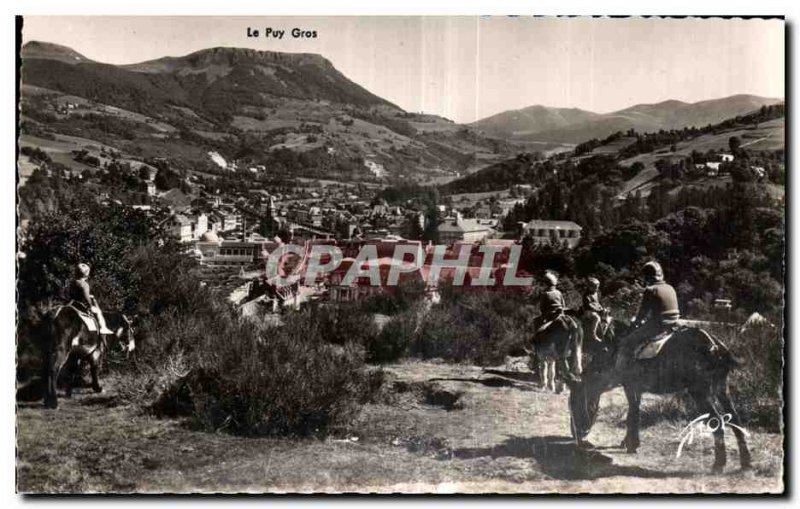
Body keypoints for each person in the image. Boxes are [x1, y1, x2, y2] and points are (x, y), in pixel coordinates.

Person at [614, 261, 680, 371]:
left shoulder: (650, 290)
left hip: (658, 327)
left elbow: (641, 315)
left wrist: (633, 325)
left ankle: (618, 376)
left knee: (625, 343)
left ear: (647, 277)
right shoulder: (670, 287)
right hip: (673, 325)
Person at [68, 263, 113, 335]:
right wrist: (91, 305)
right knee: (98, 311)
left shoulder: (73, 282)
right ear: (86, 273)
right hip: (81, 305)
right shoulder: (84, 284)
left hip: (72, 303)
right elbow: (86, 297)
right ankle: (103, 328)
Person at [582, 277, 606, 342]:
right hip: (588, 311)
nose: (596, 288)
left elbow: (597, 303)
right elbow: (589, 305)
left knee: (605, 315)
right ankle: (593, 334)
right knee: (596, 317)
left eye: (597, 287)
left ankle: (603, 333)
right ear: (590, 287)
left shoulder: (595, 293)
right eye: (595, 287)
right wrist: (597, 309)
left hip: (594, 310)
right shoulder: (586, 295)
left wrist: (601, 308)